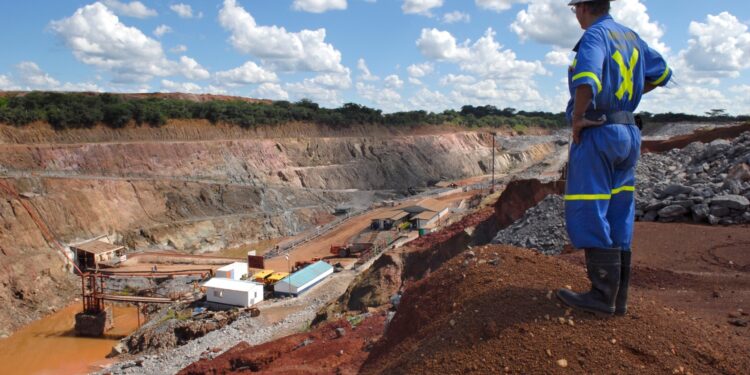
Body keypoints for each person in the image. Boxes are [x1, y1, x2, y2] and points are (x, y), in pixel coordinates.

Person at [556, 0, 672, 316]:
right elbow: (662, 73)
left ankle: (601, 294)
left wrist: (579, 117)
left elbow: (587, 78)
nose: (575, 15)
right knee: (620, 208)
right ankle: (618, 299)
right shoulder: (631, 37)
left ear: (582, 8)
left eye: (574, 8)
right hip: (628, 130)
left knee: (589, 204)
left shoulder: (595, 36)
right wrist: (630, 93)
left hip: (598, 131)